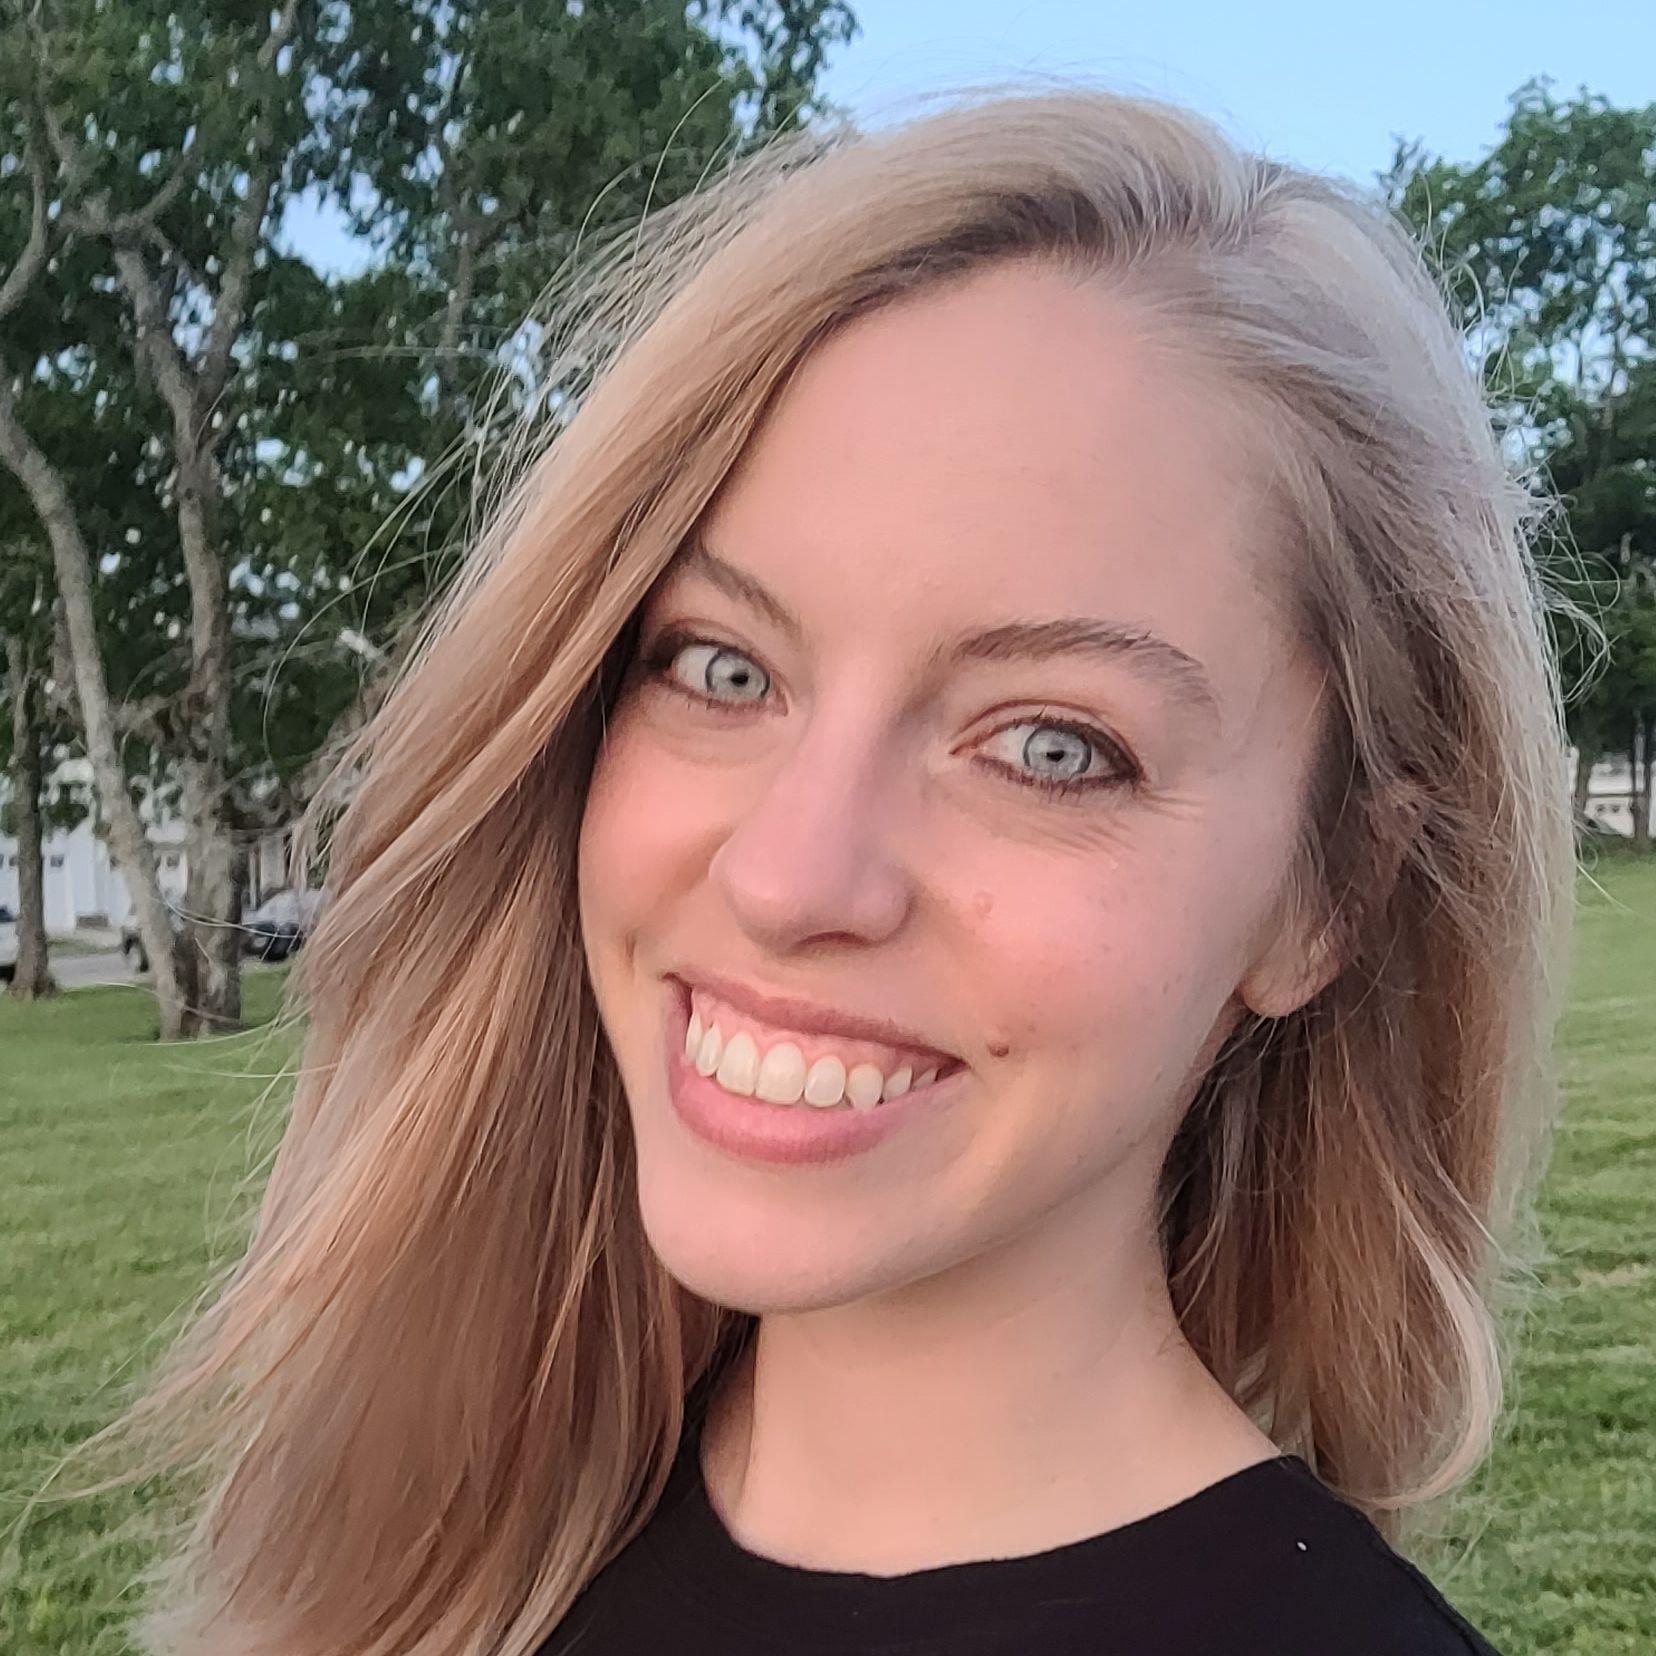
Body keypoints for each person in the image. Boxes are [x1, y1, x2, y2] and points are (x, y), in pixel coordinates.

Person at [88, 85, 1575, 1655]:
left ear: (1327, 893)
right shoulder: (440, 1545)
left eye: (1051, 746)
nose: (792, 876)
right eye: (723, 668)